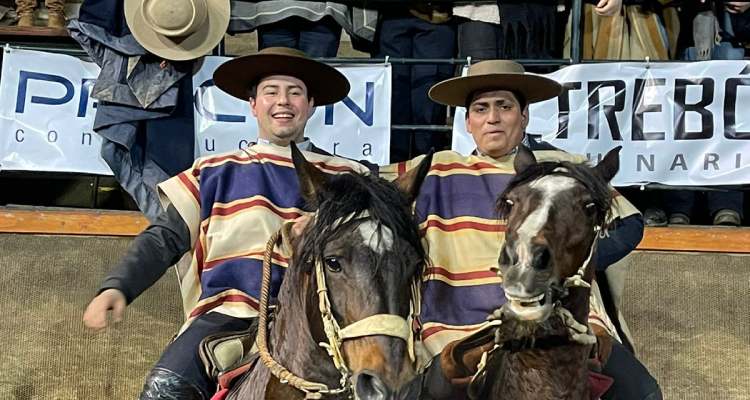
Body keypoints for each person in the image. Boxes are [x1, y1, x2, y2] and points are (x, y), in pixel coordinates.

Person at [82, 47, 369, 400]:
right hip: (229, 314)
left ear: (311, 104)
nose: (283, 101)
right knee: (164, 388)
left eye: (295, 92)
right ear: (253, 104)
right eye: (271, 92)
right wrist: (118, 286)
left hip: (325, 323)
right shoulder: (215, 169)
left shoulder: (350, 176)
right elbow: (165, 237)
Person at [381, 60, 662, 399]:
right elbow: (357, 186)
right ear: (468, 122)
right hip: (459, 326)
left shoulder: (563, 167)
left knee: (643, 393)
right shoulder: (436, 168)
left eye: (505, 106)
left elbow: (629, 223)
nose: (493, 118)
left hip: (568, 322)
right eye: (481, 109)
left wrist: (569, 263)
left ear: (524, 116)